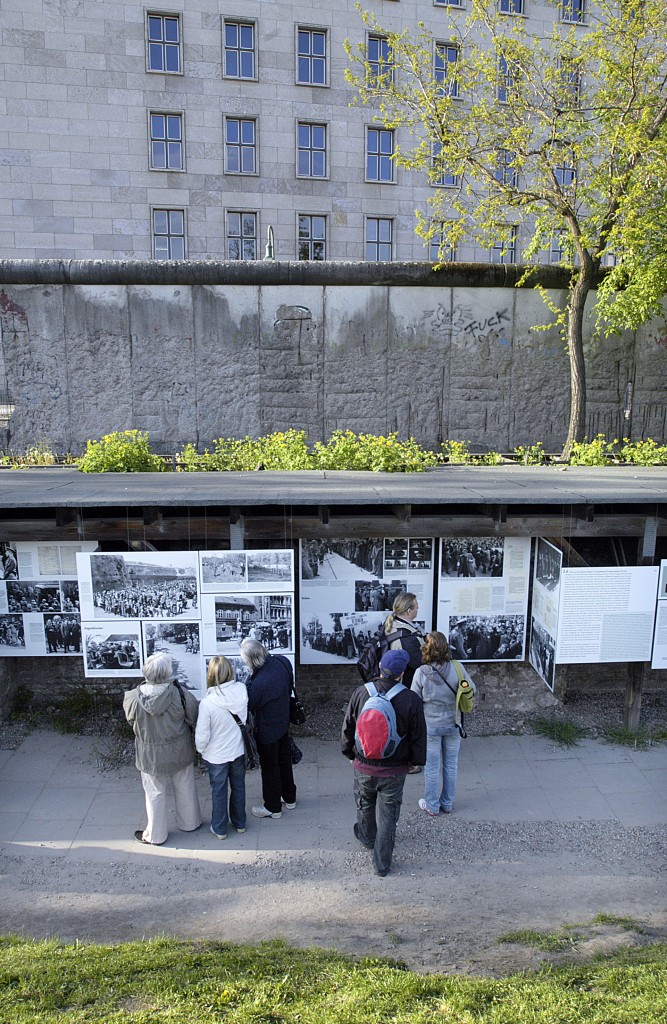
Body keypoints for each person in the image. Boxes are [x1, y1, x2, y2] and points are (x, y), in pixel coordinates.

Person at [341, 648, 426, 877]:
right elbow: (418, 736)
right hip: (394, 769)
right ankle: (381, 864)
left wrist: (349, 754)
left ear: (380, 668)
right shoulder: (411, 699)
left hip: (364, 764)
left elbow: (348, 727)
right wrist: (415, 762)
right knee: (389, 815)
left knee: (364, 803)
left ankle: (368, 838)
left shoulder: (361, 693)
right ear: (401, 674)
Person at [123, 651, 202, 846]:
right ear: (167, 673)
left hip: (149, 753)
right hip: (179, 749)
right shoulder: (181, 694)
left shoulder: (133, 697)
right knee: (185, 786)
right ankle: (190, 823)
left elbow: (131, 720)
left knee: (154, 793)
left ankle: (155, 835)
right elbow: (193, 718)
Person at [410, 631, 476, 816]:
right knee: (451, 765)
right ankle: (447, 803)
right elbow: (472, 690)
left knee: (431, 767)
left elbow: (414, 701)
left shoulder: (420, 673)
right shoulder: (457, 668)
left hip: (430, 725)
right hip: (453, 723)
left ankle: (431, 804)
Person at [240, 638, 296, 819]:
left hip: (266, 729)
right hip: (283, 721)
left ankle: (272, 807)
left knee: (270, 767)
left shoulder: (258, 683)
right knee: (284, 761)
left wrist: (250, 675)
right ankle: (289, 798)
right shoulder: (282, 662)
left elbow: (249, 703)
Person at [195, 655, 248, 840]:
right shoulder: (241, 690)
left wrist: (200, 750)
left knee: (218, 790)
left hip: (216, 755)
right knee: (238, 786)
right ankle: (240, 823)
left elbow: (203, 735)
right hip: (238, 750)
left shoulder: (207, 703)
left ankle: (219, 828)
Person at [383, 591, 424, 773]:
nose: (418, 609)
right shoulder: (407, 637)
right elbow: (419, 663)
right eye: (415, 606)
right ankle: (410, 761)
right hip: (405, 684)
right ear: (408, 611)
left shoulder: (392, 624)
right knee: (410, 722)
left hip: (392, 683)